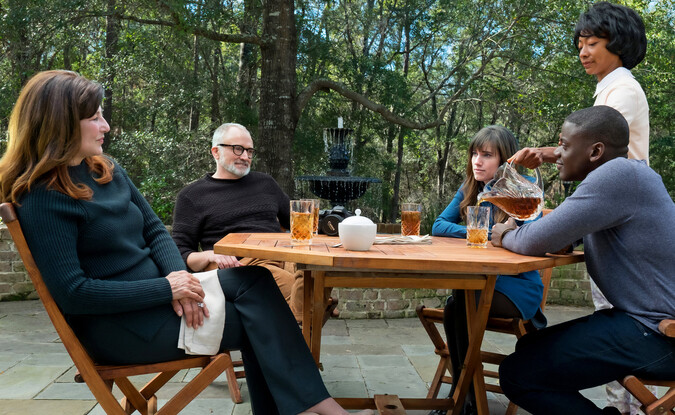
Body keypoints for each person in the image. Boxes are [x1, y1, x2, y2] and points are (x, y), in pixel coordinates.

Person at [0, 70, 372, 415]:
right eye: (95, 117)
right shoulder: (44, 197)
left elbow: (155, 232)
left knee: (255, 283)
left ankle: (311, 405)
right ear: (61, 124)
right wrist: (167, 288)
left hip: (164, 303)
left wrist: (183, 284)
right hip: (124, 327)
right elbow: (73, 293)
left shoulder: (105, 170)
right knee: (262, 321)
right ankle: (315, 406)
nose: (106, 125)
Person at [509, 4, 652, 411]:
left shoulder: (622, 88)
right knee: (611, 317)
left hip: (620, 220)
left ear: (618, 44)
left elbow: (598, 152)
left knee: (618, 320)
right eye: (580, 44)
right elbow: (588, 148)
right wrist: (551, 152)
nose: (583, 52)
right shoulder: (610, 86)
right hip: (612, 213)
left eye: (592, 43)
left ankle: (626, 408)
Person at [491, 105, 675, 415]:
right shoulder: (625, 176)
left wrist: (503, 235)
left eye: (563, 145)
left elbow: (535, 240)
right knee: (530, 349)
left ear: (595, 151)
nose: (558, 154)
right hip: (646, 324)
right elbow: (559, 235)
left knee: (519, 373)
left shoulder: (616, 176)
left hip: (659, 334)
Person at [429, 125, 546, 415]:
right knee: (457, 304)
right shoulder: (471, 189)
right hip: (481, 284)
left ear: (506, 160)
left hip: (518, 289)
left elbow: (533, 237)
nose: (476, 161)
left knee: (459, 304)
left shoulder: (525, 194)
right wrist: (481, 230)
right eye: (474, 154)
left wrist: (510, 232)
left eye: (487, 155)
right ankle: (463, 396)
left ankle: (461, 398)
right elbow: (438, 225)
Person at [172, 123, 336, 324]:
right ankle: (316, 309)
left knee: (319, 266)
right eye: (238, 149)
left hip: (283, 255)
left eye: (249, 151)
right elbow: (180, 253)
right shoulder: (192, 196)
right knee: (308, 290)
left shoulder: (265, 183)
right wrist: (210, 254)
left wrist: (337, 224)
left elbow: (298, 221)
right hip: (242, 264)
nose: (245, 156)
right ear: (216, 151)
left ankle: (311, 311)